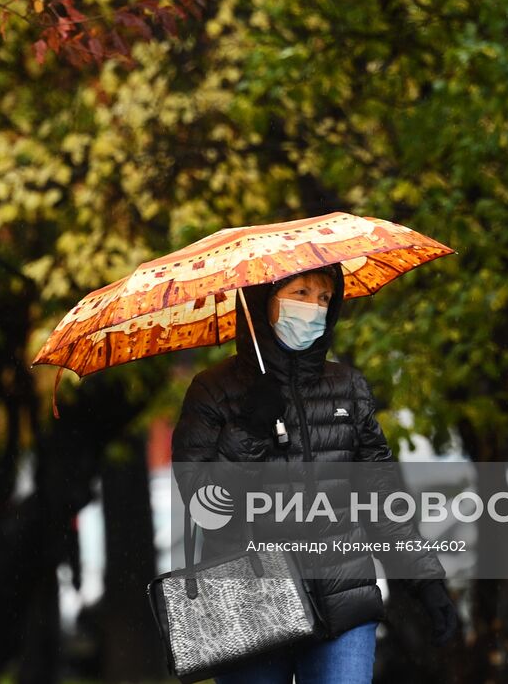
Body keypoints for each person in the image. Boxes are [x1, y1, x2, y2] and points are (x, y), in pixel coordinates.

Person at [171, 263, 459, 684]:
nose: (313, 309)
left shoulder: (348, 387)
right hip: (250, 603)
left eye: (324, 298)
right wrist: (249, 431)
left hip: (342, 601)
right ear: (261, 302)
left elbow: (382, 501)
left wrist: (425, 581)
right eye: (301, 294)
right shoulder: (213, 391)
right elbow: (205, 508)